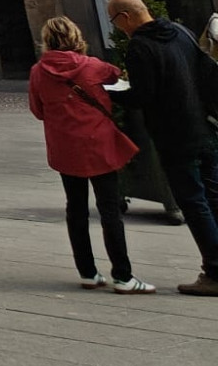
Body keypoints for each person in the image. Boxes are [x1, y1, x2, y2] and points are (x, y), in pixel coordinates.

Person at [28, 15, 153, 294]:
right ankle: (123, 275)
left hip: (65, 147)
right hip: (98, 145)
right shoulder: (93, 66)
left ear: (47, 41)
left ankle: (87, 272)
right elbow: (118, 78)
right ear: (75, 37)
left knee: (76, 209)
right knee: (110, 210)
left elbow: (38, 111)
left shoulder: (38, 71)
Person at [108, 0, 218, 296]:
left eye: (115, 22)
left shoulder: (140, 47)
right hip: (205, 128)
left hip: (175, 135)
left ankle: (215, 271)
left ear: (125, 17)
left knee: (194, 202)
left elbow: (142, 96)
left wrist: (110, 92)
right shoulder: (180, 31)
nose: (118, 28)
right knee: (213, 196)